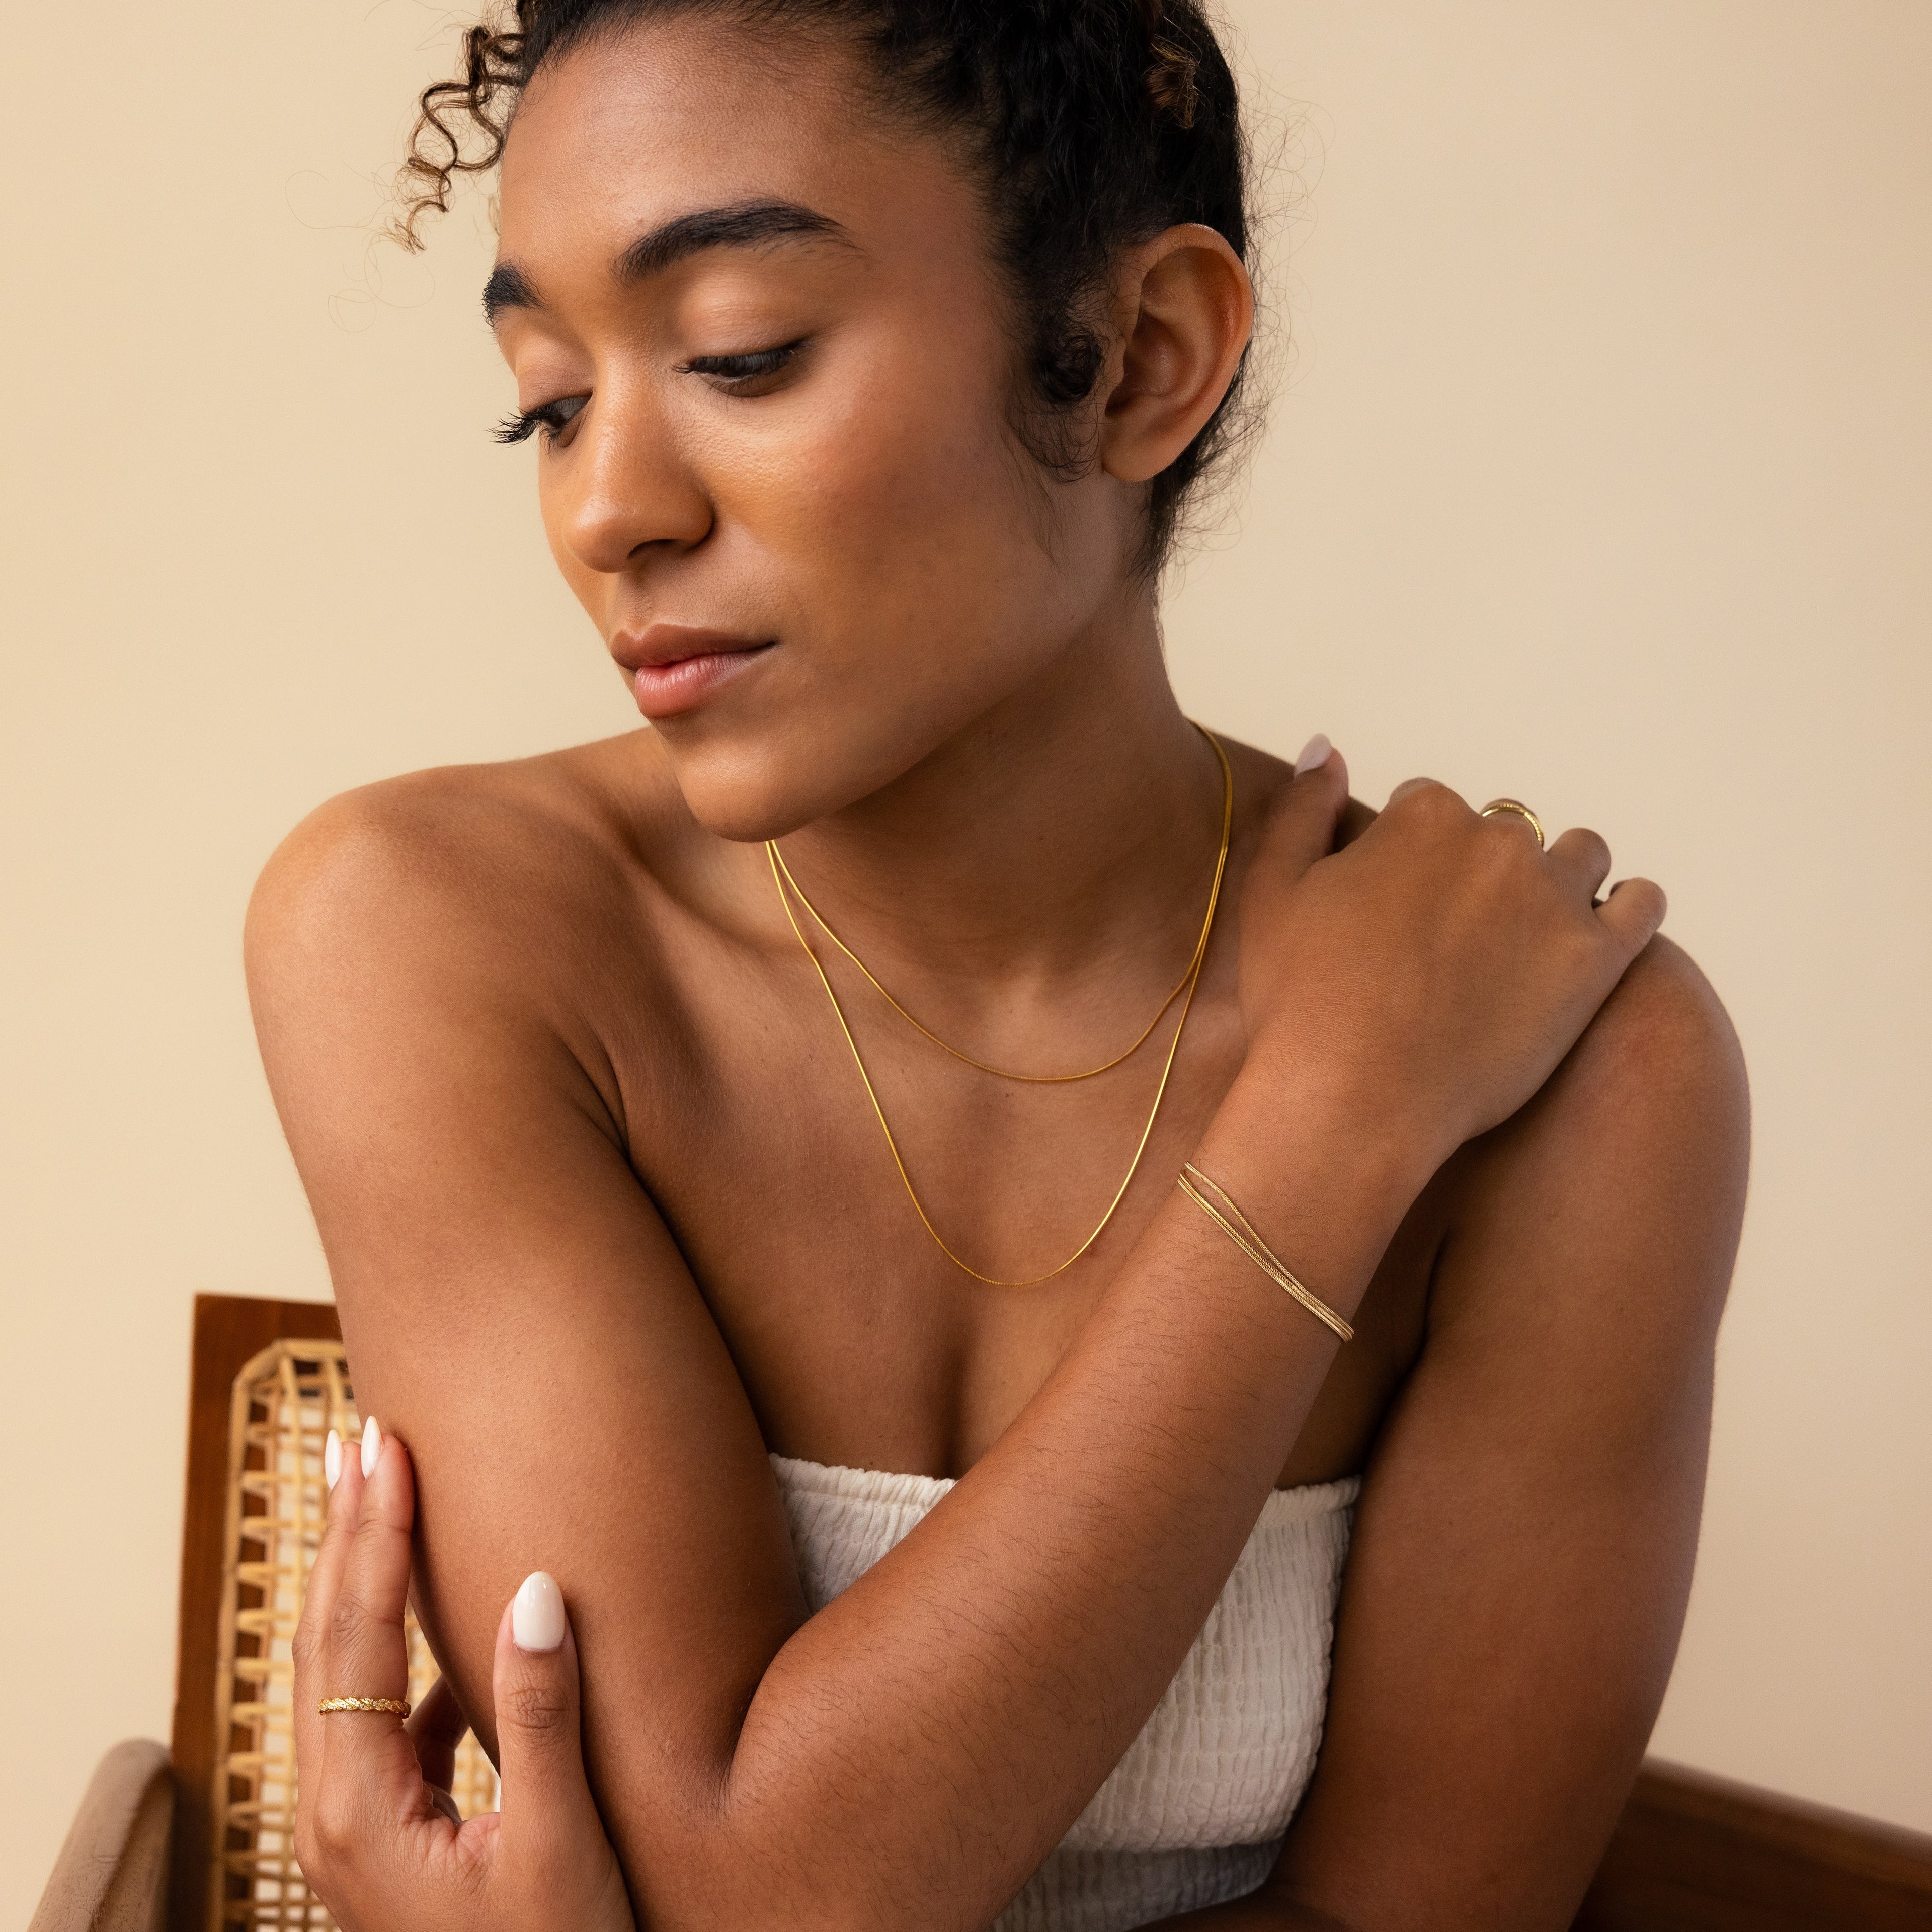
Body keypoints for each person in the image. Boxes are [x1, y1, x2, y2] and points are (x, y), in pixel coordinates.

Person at [248, 2, 1750, 1926]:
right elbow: (748, 1895)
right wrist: (1328, 1134)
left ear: (1139, 361)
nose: (606, 509)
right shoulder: (429, 931)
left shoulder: (1577, 1080)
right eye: (547, 399)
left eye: (741, 354)